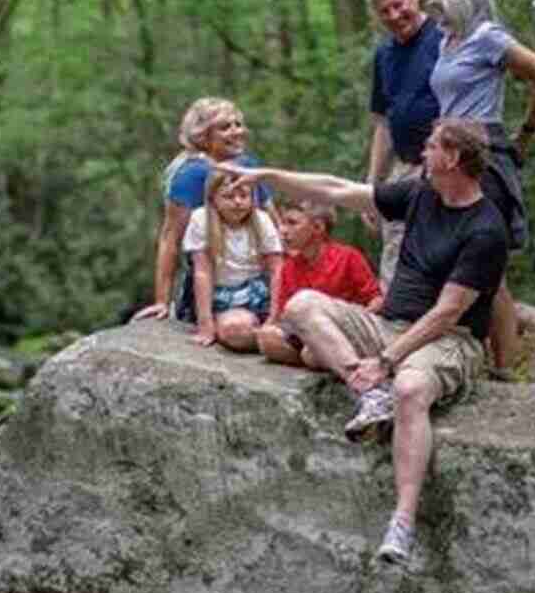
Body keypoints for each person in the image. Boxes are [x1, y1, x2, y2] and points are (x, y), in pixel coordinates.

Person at [218, 118, 509, 566]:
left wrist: (389, 360)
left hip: (447, 339)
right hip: (388, 324)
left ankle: (402, 523)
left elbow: (447, 312)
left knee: (410, 390)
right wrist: (267, 176)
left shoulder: (486, 229)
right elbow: (336, 190)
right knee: (300, 306)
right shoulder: (418, 193)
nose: (422, 154)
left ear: (451, 158)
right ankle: (370, 394)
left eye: (431, 147)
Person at [425, 0, 535, 375]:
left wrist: (525, 134)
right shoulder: (445, 39)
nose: (431, 0)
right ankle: (477, 360)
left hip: (483, 156)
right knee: (453, 265)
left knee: (491, 271)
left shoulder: (488, 38)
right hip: (447, 156)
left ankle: (507, 370)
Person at [132, 98, 271, 324]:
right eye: (225, 127)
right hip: (213, 279)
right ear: (203, 136)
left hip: (256, 273)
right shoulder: (191, 174)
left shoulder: (249, 166)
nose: (236, 132)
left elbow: (272, 219)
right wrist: (161, 300)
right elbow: (170, 238)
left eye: (238, 124)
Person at [360, 0, 443, 287]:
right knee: (395, 251)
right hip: (404, 165)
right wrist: (372, 184)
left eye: (399, 4)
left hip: (446, 164)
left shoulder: (442, 38)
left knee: (443, 250)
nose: (395, 15)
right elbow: (383, 123)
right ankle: (395, 327)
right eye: (384, 11)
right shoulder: (384, 54)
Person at [256, 199, 383, 367]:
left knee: (312, 354)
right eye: (283, 223)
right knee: (267, 338)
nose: (283, 230)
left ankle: (328, 358)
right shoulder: (289, 267)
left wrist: (359, 323)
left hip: (341, 332)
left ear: (318, 227)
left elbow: (376, 300)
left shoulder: (348, 257)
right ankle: (317, 359)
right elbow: (283, 315)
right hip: (304, 334)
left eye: (292, 223)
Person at [182, 172, 283, 350]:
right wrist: (205, 322)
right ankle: (258, 336)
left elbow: (277, 271)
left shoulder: (262, 220)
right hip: (221, 295)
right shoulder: (201, 218)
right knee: (236, 330)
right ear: (213, 199)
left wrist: (274, 317)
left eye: (244, 195)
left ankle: (268, 336)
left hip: (258, 293)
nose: (238, 202)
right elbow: (202, 272)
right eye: (228, 196)